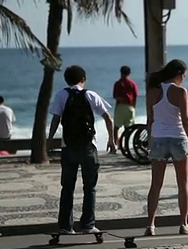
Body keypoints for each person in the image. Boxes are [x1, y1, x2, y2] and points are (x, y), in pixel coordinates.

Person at [48, 65, 116, 235]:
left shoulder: (62, 95)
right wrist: (111, 140)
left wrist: (50, 140)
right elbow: (108, 118)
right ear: (83, 79)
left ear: (66, 80)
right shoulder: (91, 95)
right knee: (90, 187)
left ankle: (65, 226)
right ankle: (88, 225)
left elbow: (56, 119)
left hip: (68, 147)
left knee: (67, 187)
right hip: (88, 148)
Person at [145, 59, 188, 236]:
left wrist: (150, 140)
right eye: (184, 75)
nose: (183, 78)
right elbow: (186, 119)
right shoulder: (180, 91)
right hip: (177, 139)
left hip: (158, 139)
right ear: (179, 73)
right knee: (183, 184)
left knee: (155, 185)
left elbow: (150, 119)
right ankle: (183, 224)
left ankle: (150, 225)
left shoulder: (152, 91)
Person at [112, 65, 139, 153]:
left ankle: (117, 145)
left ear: (121, 72)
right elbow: (135, 96)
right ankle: (126, 146)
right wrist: (134, 107)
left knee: (116, 127)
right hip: (130, 107)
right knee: (128, 128)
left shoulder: (118, 83)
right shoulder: (132, 83)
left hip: (120, 106)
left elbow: (116, 97)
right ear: (129, 73)